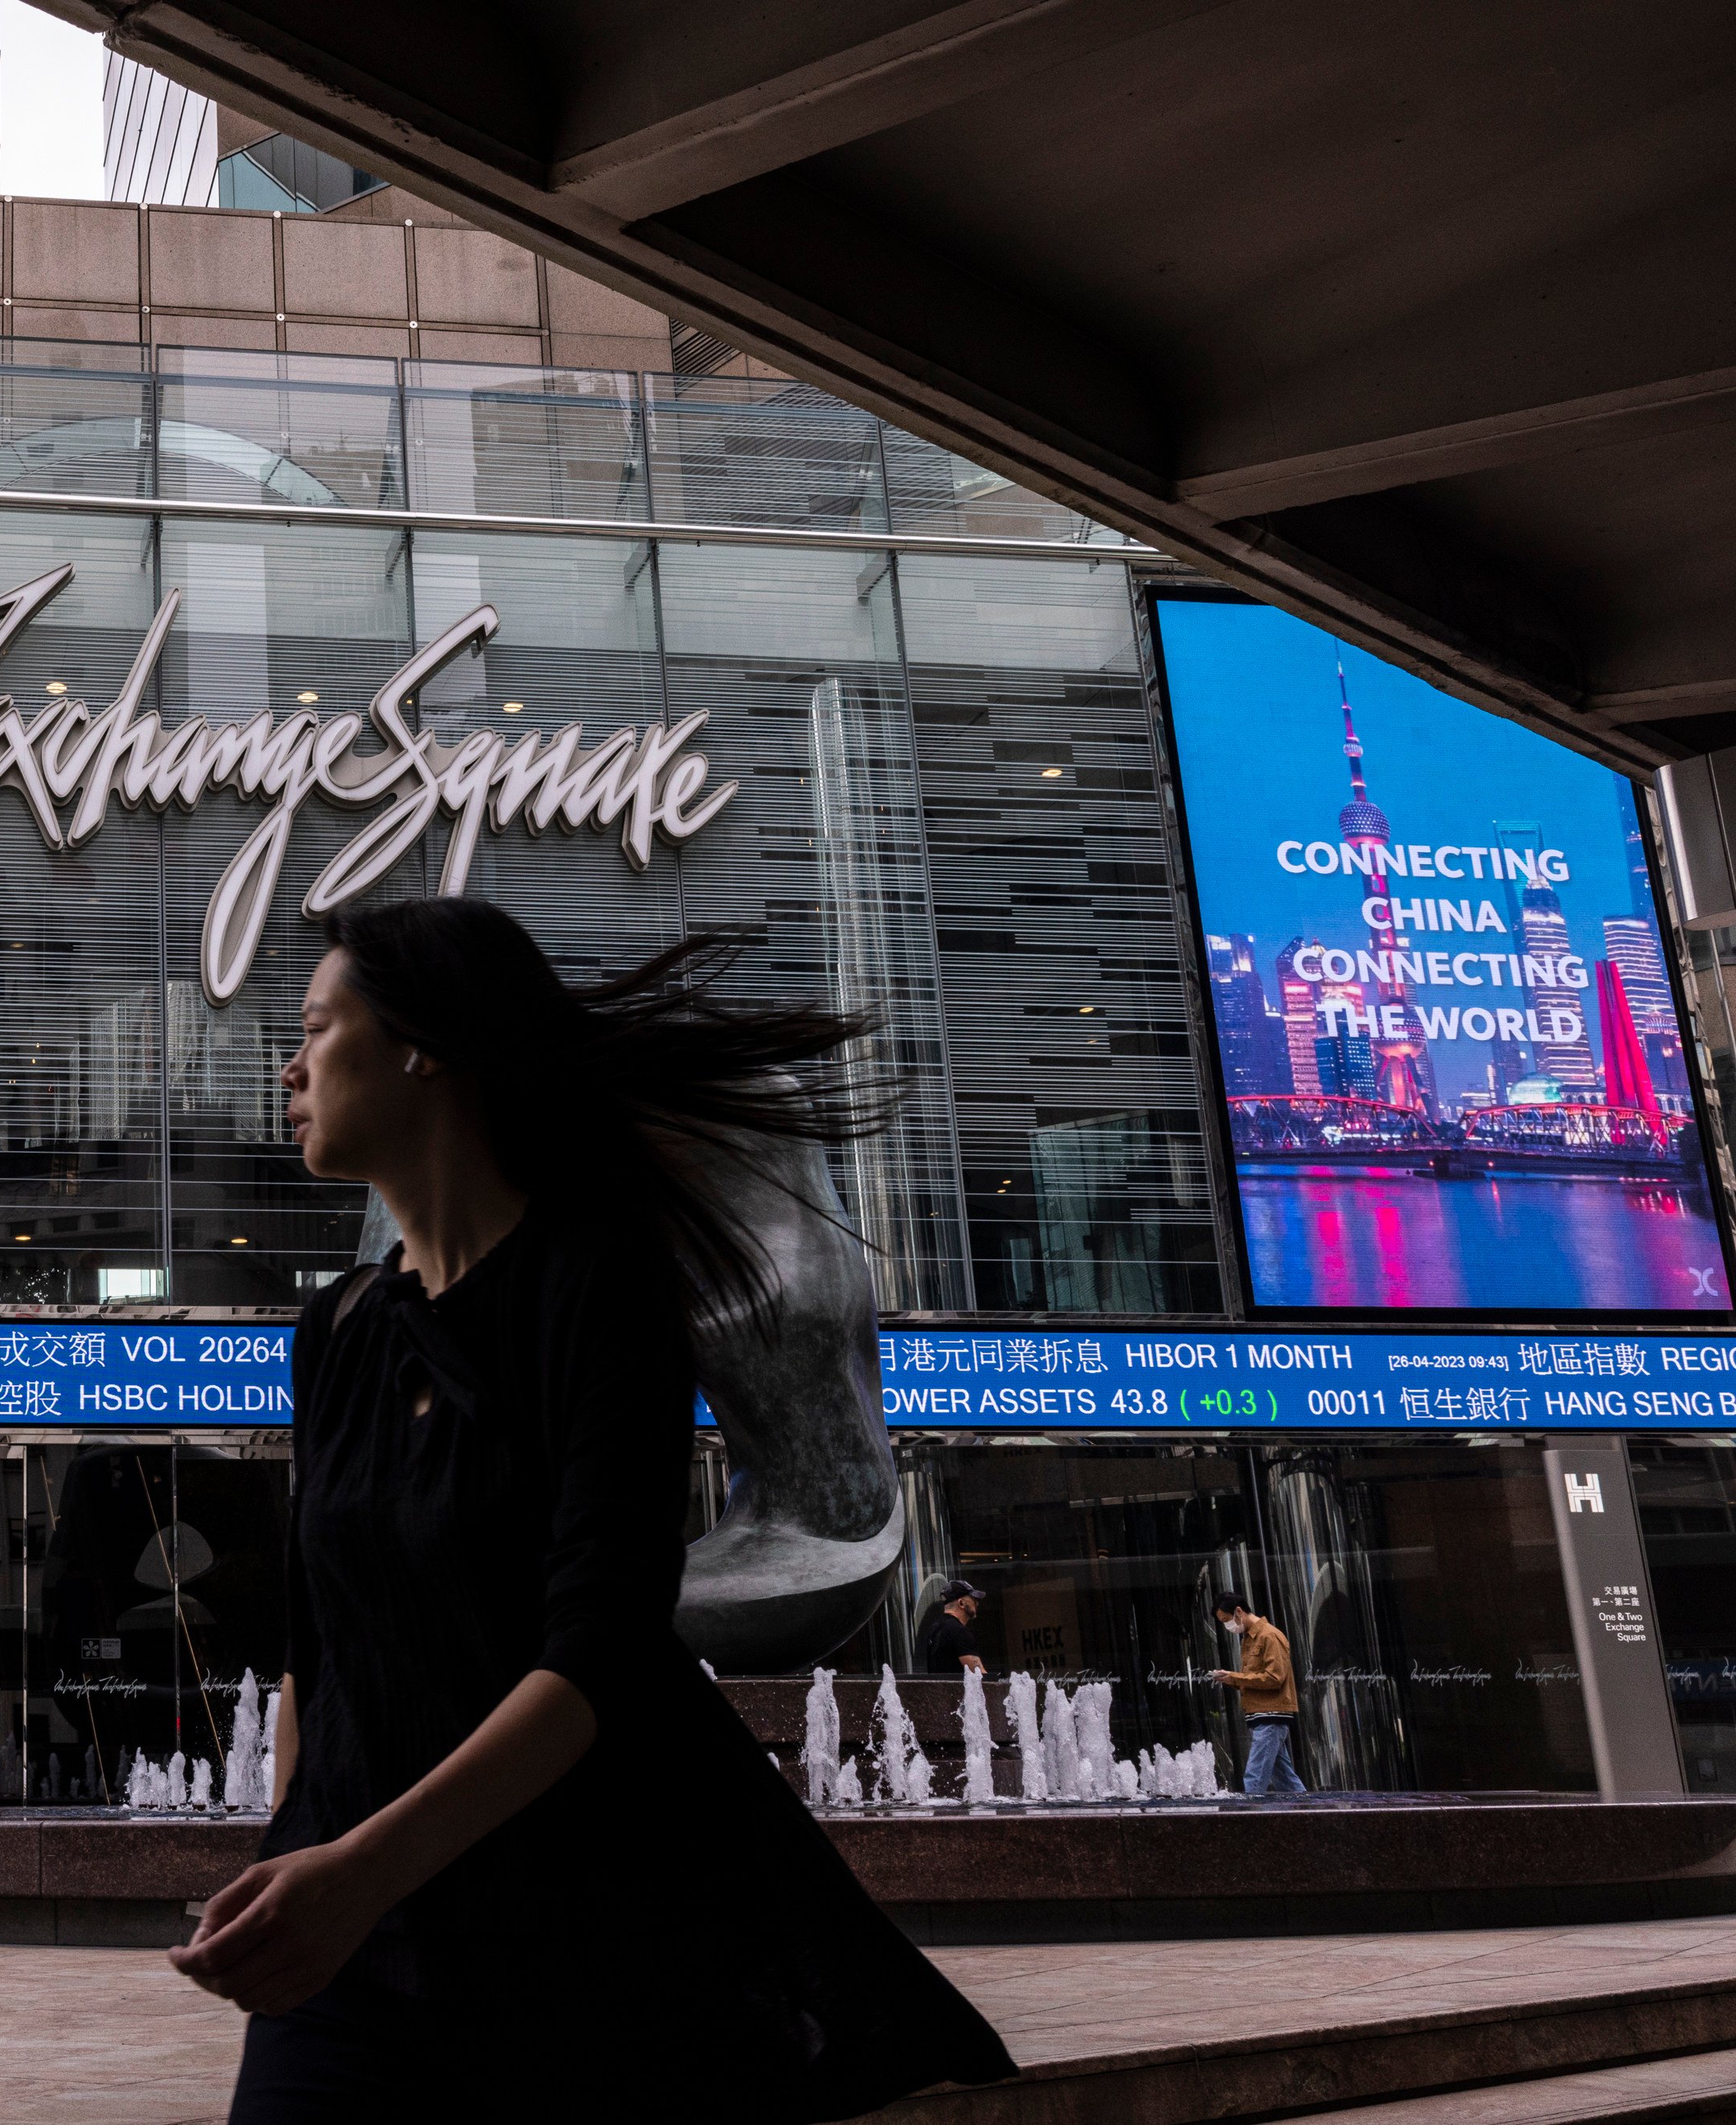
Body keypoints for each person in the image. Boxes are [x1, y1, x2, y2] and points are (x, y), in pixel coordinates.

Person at [171, 898, 1014, 2119]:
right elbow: (321, 1652)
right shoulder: (337, 1330)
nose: (290, 1071)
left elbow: (599, 1655)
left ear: (422, 1048)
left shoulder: (598, 1289)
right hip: (356, 1947)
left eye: (314, 1028)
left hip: (571, 1929)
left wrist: (359, 1874)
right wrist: (296, 1865)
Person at [1211, 1591, 1307, 1795]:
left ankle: (1249, 1812)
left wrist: (1236, 1677)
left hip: (1271, 1716)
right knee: (1285, 1778)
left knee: (1254, 1776)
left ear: (1239, 1612)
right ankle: (1310, 1809)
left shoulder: (1269, 1635)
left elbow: (1275, 1678)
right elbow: (1255, 1680)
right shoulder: (1249, 1639)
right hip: (1262, 1716)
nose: (1228, 1626)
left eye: (1227, 1620)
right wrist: (1231, 1679)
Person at [917, 1580, 987, 1674]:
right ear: (961, 1603)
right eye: (973, 1599)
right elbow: (979, 1676)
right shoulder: (960, 1632)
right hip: (958, 1685)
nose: (977, 1603)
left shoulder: (934, 1629)